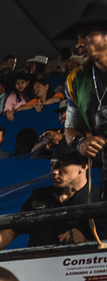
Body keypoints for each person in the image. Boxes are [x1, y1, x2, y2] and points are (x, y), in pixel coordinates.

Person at [0, 143, 100, 249]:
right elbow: (11, 231)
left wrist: (86, 242)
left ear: (83, 166)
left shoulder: (99, 200)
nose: (54, 171)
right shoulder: (40, 195)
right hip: (38, 261)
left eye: (62, 164)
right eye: (52, 164)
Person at [58, 1, 107, 183]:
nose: (78, 44)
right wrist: (79, 143)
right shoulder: (75, 80)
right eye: (78, 38)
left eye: (86, 35)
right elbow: (70, 128)